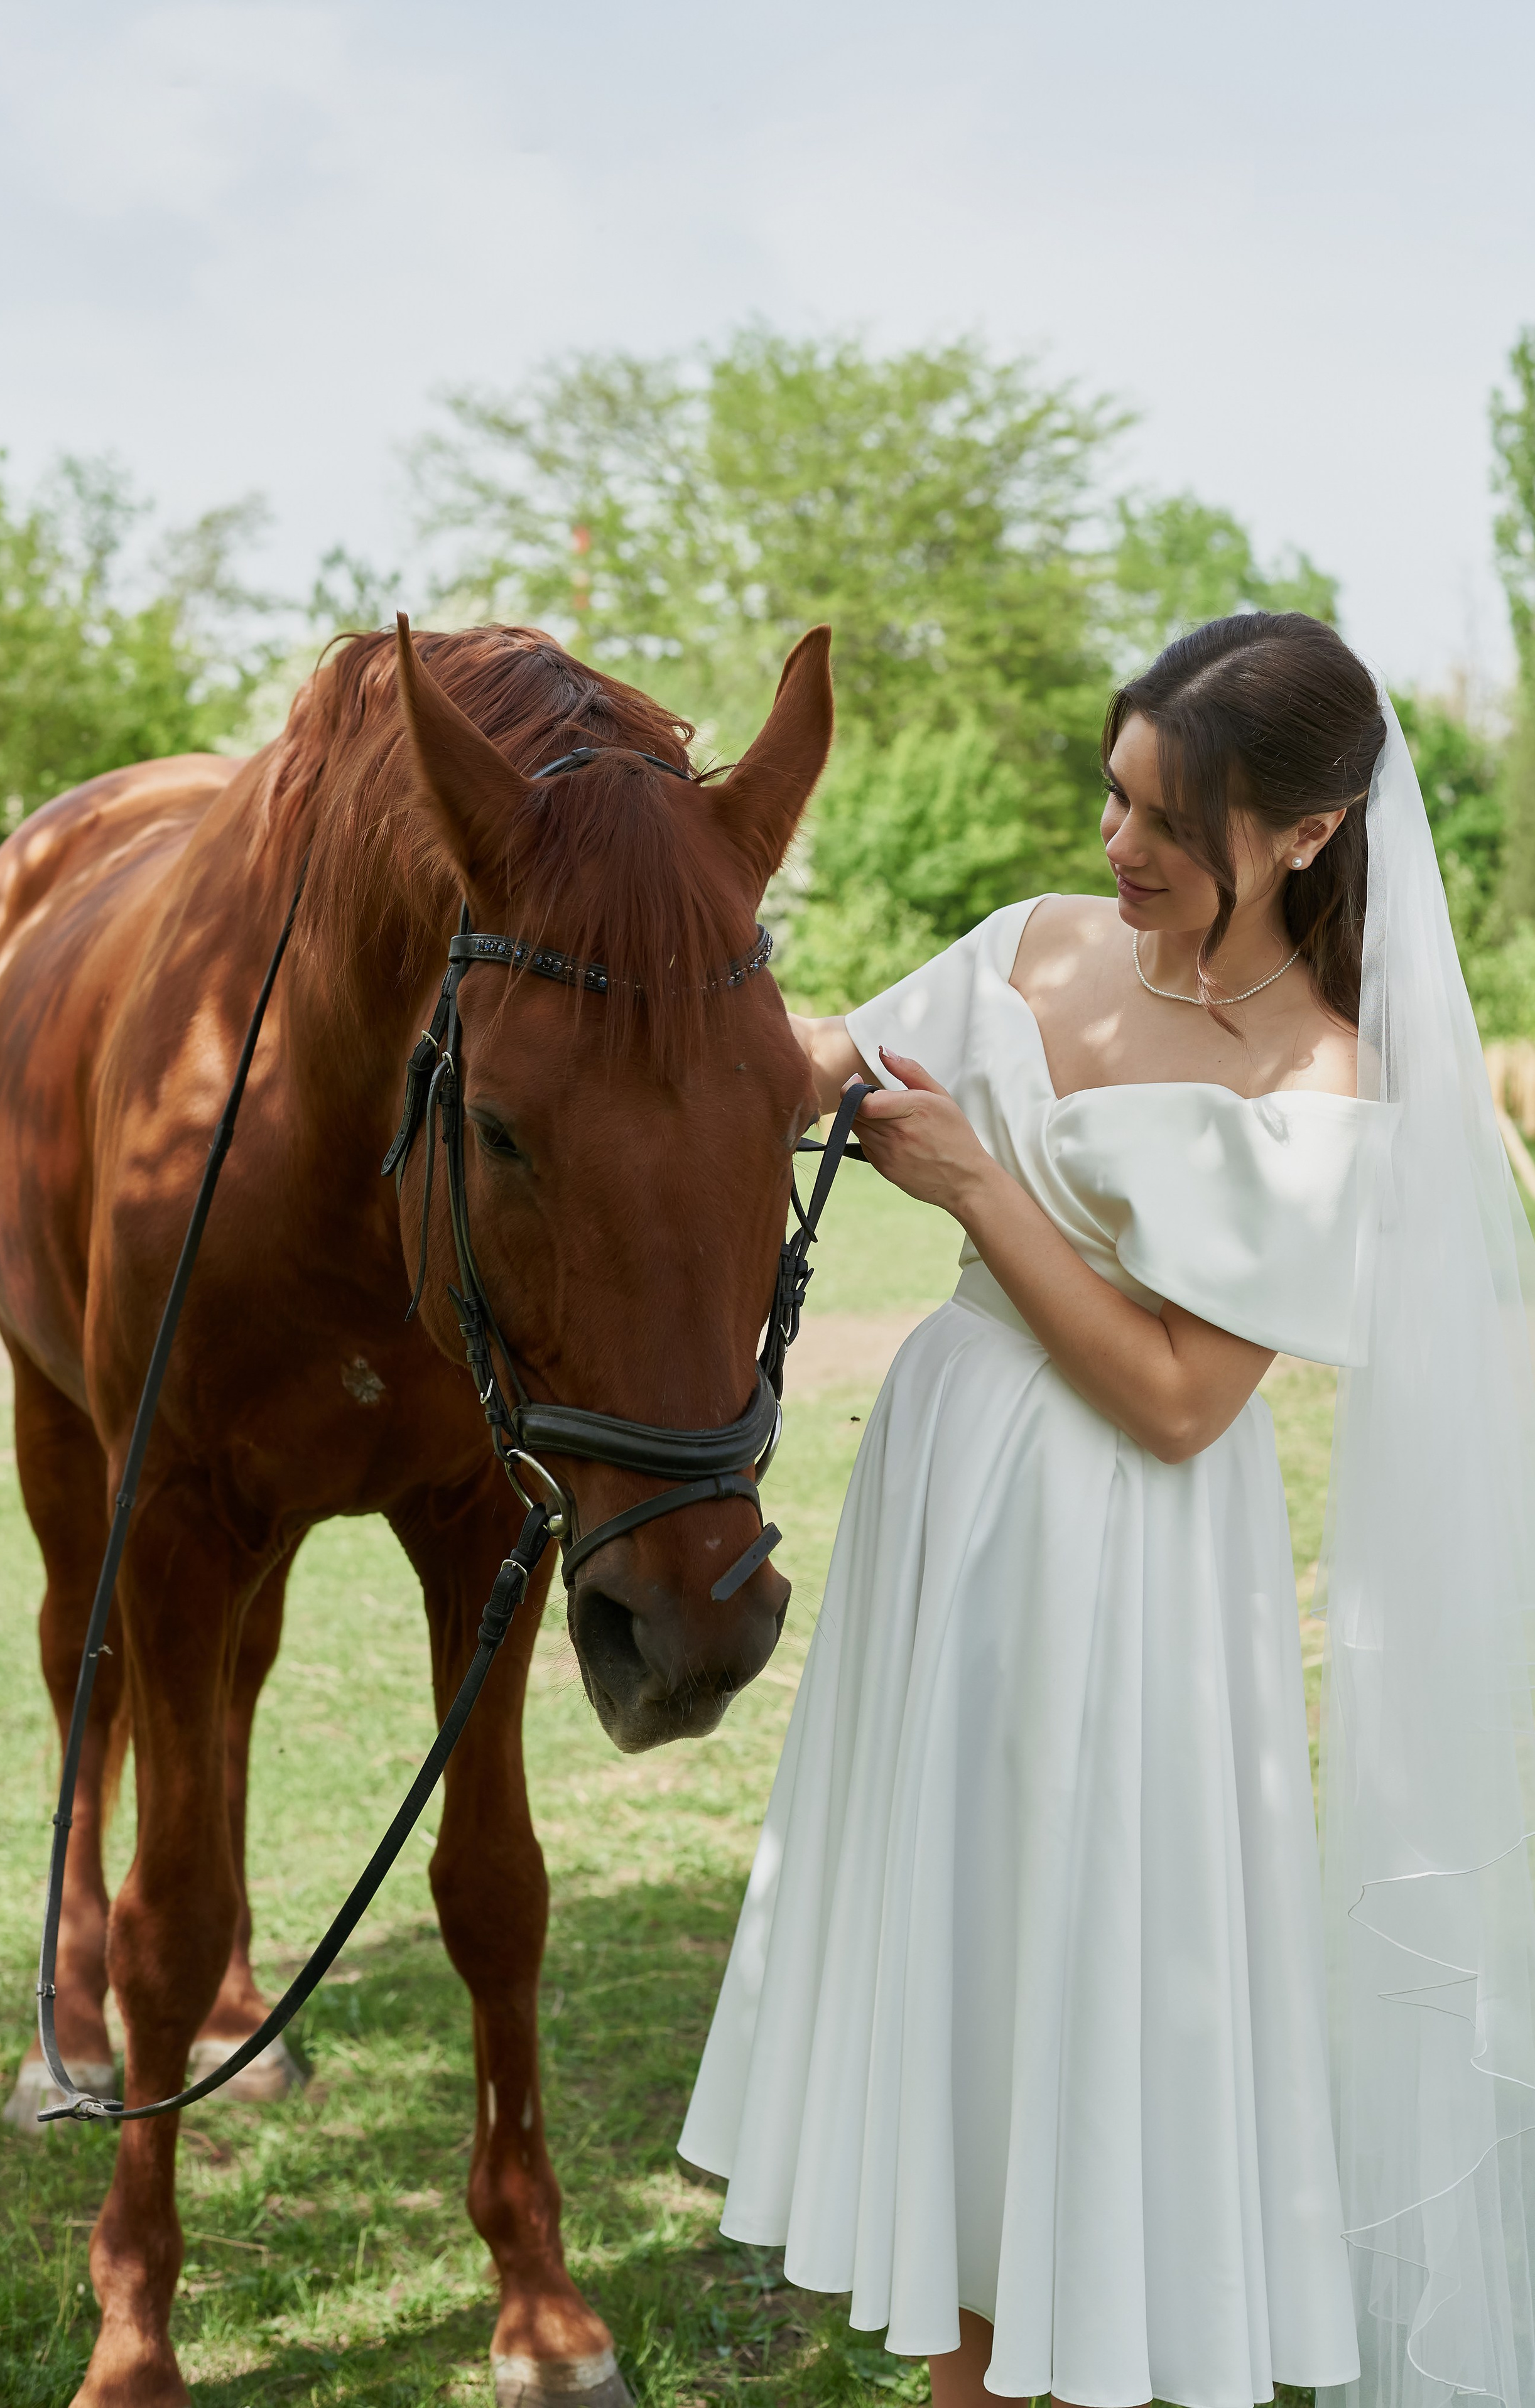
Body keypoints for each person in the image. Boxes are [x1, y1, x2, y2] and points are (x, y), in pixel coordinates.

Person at [680, 613, 1535, 2408]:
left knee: (1085, 1981)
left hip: (1124, 1565)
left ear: (1305, 833)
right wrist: (663, 954)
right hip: (946, 1503)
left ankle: (1053, 2356)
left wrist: (984, 1189)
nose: (1116, 849)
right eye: (1114, 792)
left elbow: (1172, 1399)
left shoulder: (1327, 1080)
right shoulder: (1035, 943)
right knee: (968, 1971)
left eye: (1167, 821)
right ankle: (973, 2353)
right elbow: (818, 1059)